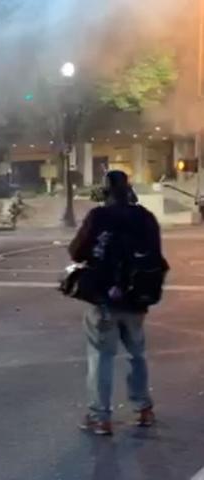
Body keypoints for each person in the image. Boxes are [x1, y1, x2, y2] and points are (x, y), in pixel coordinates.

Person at [69, 170, 166, 436]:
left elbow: (76, 251)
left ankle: (100, 417)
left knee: (101, 356)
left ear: (106, 190)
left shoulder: (99, 217)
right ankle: (143, 409)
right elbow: (156, 255)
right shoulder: (145, 217)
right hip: (137, 297)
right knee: (137, 354)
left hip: (104, 297)